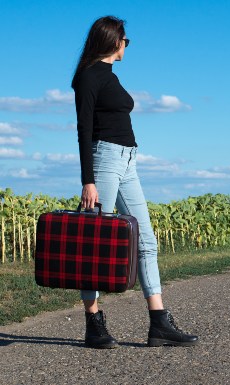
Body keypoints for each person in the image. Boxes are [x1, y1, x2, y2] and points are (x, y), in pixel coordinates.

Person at [71, 16, 198, 349]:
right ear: (115, 40)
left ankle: (159, 323)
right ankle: (94, 323)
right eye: (126, 40)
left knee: (147, 241)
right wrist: (88, 181)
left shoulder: (111, 76)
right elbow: (84, 131)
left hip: (128, 162)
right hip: (104, 162)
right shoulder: (88, 77)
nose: (128, 46)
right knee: (94, 246)